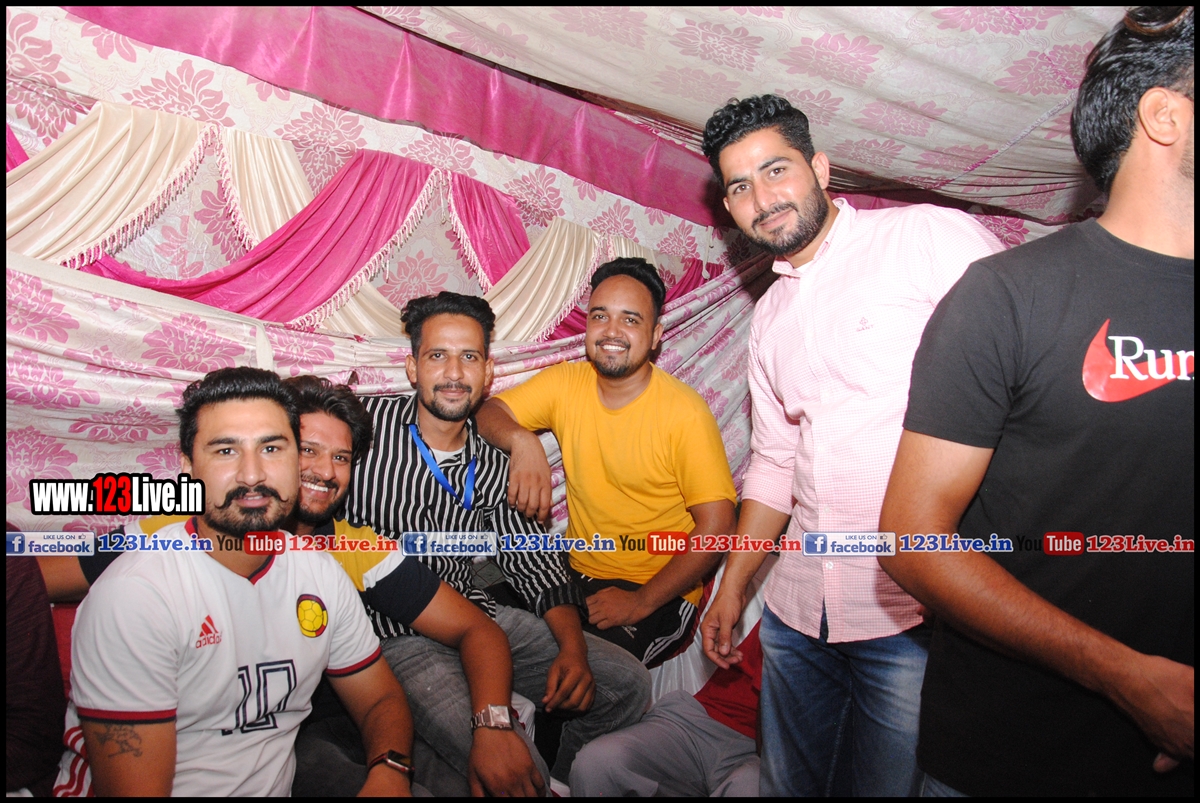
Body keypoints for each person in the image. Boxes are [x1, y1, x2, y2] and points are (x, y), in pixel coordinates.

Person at [877, 6, 1193, 797]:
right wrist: (1125, 675)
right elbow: (911, 539)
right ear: (1165, 115)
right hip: (1011, 757)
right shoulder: (1007, 296)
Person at [41, 374, 551, 797]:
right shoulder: (160, 550)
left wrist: (481, 729)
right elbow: (38, 579)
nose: (323, 471)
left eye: (341, 458)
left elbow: (463, 636)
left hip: (302, 728)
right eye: (307, 449)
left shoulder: (336, 558)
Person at [696, 94, 1003, 796]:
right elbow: (775, 462)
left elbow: (1024, 380)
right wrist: (733, 586)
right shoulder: (768, 317)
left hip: (911, 611)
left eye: (776, 170)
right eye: (739, 187)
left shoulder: (924, 237)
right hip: (796, 611)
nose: (762, 199)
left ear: (822, 168)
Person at [343, 291, 650, 787]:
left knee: (626, 683)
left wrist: (572, 648)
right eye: (437, 355)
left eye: (469, 357)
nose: (454, 373)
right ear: (412, 367)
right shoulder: (365, 431)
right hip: (396, 635)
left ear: (488, 372)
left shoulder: (495, 461)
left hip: (479, 616)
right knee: (516, 768)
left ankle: (570, 780)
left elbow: (531, 562)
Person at [476, 258, 739, 667]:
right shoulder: (567, 383)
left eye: (630, 320)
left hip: (655, 589)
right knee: (472, 620)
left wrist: (640, 602)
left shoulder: (684, 413)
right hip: (574, 568)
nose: (612, 331)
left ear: (656, 336)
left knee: (589, 675)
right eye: (600, 316)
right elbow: (490, 412)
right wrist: (522, 441)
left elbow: (718, 528)